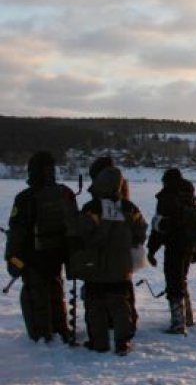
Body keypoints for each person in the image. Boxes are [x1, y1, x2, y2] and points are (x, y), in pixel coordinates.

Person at [4, 151, 78, 343]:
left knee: (36, 293)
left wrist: (13, 260)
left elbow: (17, 234)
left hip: (33, 257)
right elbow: (75, 226)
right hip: (59, 254)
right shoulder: (66, 193)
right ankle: (60, 328)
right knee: (55, 290)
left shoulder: (25, 198)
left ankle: (42, 333)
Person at [78, 166, 148, 355]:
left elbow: (83, 231)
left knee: (95, 306)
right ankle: (122, 343)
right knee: (121, 306)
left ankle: (98, 342)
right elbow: (141, 230)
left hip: (96, 266)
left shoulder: (92, 208)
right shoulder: (129, 208)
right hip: (122, 267)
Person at [146, 168, 196, 334]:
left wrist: (151, 250)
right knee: (182, 279)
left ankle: (178, 323)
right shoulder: (192, 198)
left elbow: (159, 227)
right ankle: (188, 317)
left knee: (174, 282)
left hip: (174, 245)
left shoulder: (167, 197)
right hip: (190, 245)